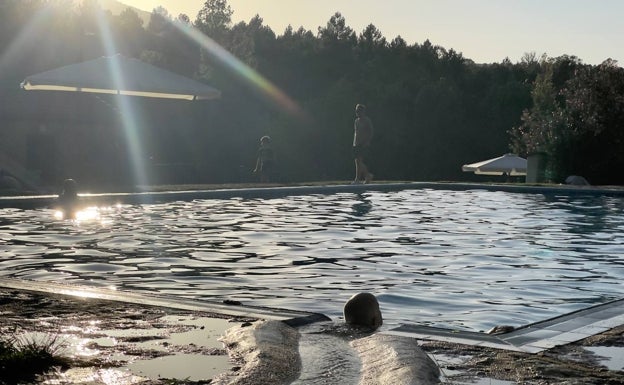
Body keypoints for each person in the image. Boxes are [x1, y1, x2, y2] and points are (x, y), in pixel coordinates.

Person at [352, 104, 374, 184]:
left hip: (363, 143)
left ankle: (365, 176)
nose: (357, 113)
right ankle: (363, 177)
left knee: (359, 161)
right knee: (357, 161)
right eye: (356, 111)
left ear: (362, 112)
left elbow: (371, 132)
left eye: (358, 111)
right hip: (356, 143)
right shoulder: (356, 121)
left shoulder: (367, 120)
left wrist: (367, 141)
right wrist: (354, 143)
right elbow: (356, 132)